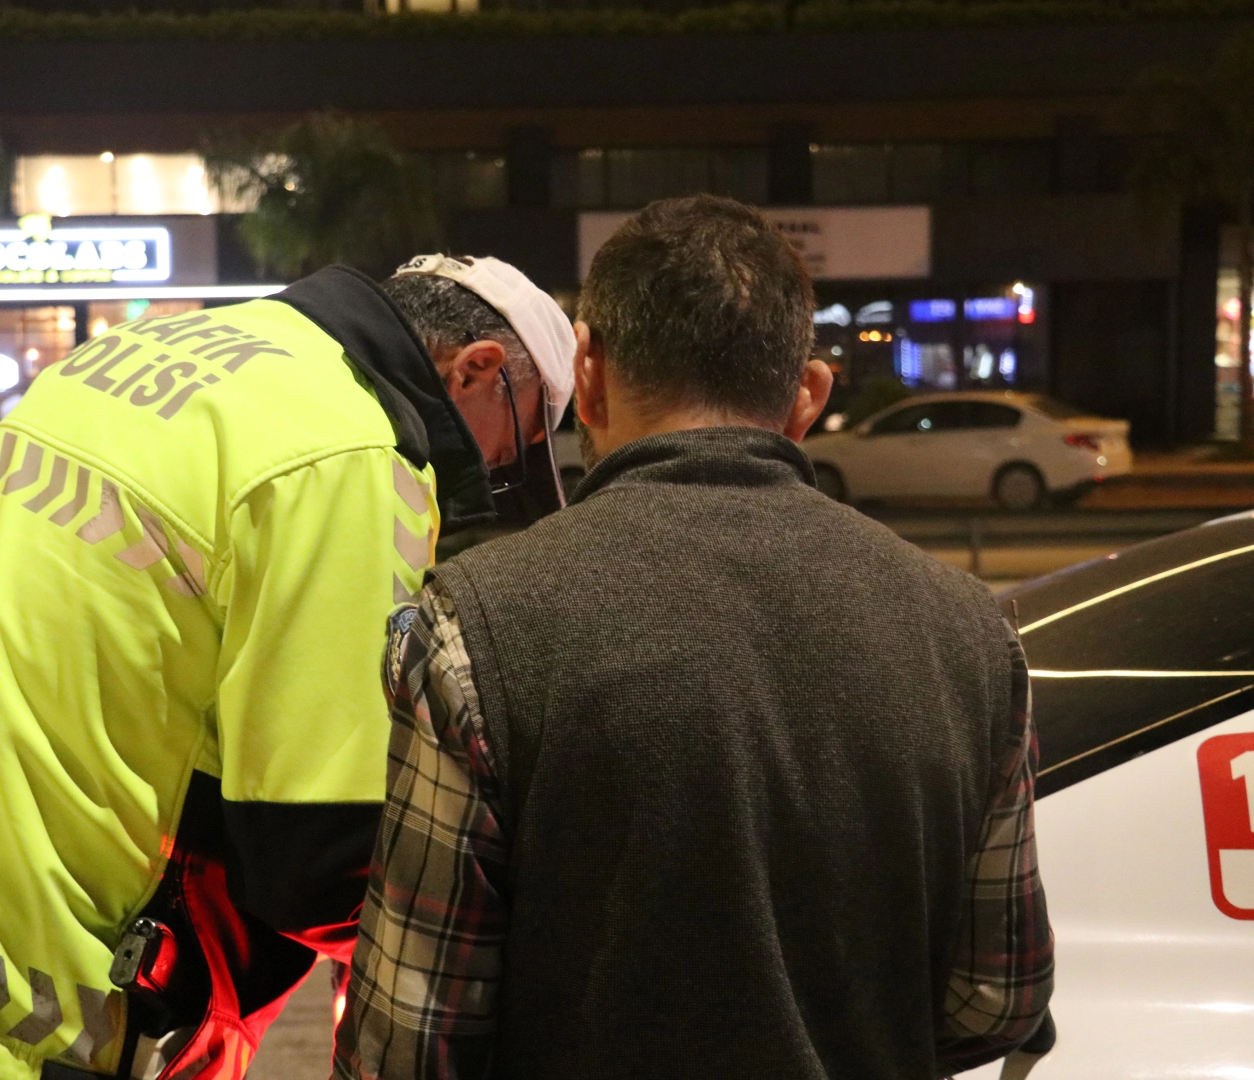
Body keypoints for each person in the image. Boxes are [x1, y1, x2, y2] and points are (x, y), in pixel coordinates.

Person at [0, 256, 573, 1080]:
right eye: (520, 438)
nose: (495, 470)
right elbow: (315, 853)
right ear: (477, 370)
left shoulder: (133, 355)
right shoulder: (351, 451)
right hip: (16, 1012)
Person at [335, 195, 1054, 1080]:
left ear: (589, 374)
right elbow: (997, 996)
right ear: (809, 396)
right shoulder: (971, 632)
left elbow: (407, 1041)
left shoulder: (477, 621)